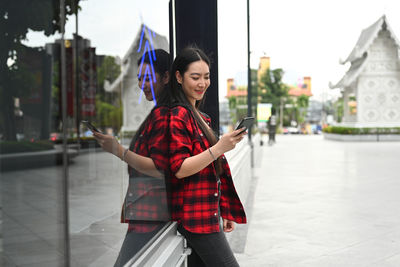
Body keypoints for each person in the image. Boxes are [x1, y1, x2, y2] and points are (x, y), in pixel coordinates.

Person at [164, 47, 247, 266]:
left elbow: (214, 171)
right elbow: (179, 168)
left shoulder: (202, 117)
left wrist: (224, 208)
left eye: (207, 77)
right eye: (195, 77)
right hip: (195, 218)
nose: (202, 83)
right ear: (179, 77)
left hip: (207, 212)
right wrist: (219, 147)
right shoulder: (177, 115)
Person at [92, 49, 171, 267]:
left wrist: (118, 150)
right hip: (148, 207)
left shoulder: (164, 115)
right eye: (139, 79)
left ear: (166, 77)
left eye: (148, 78)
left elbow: (160, 168)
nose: (141, 84)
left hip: (152, 210)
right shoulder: (161, 111)